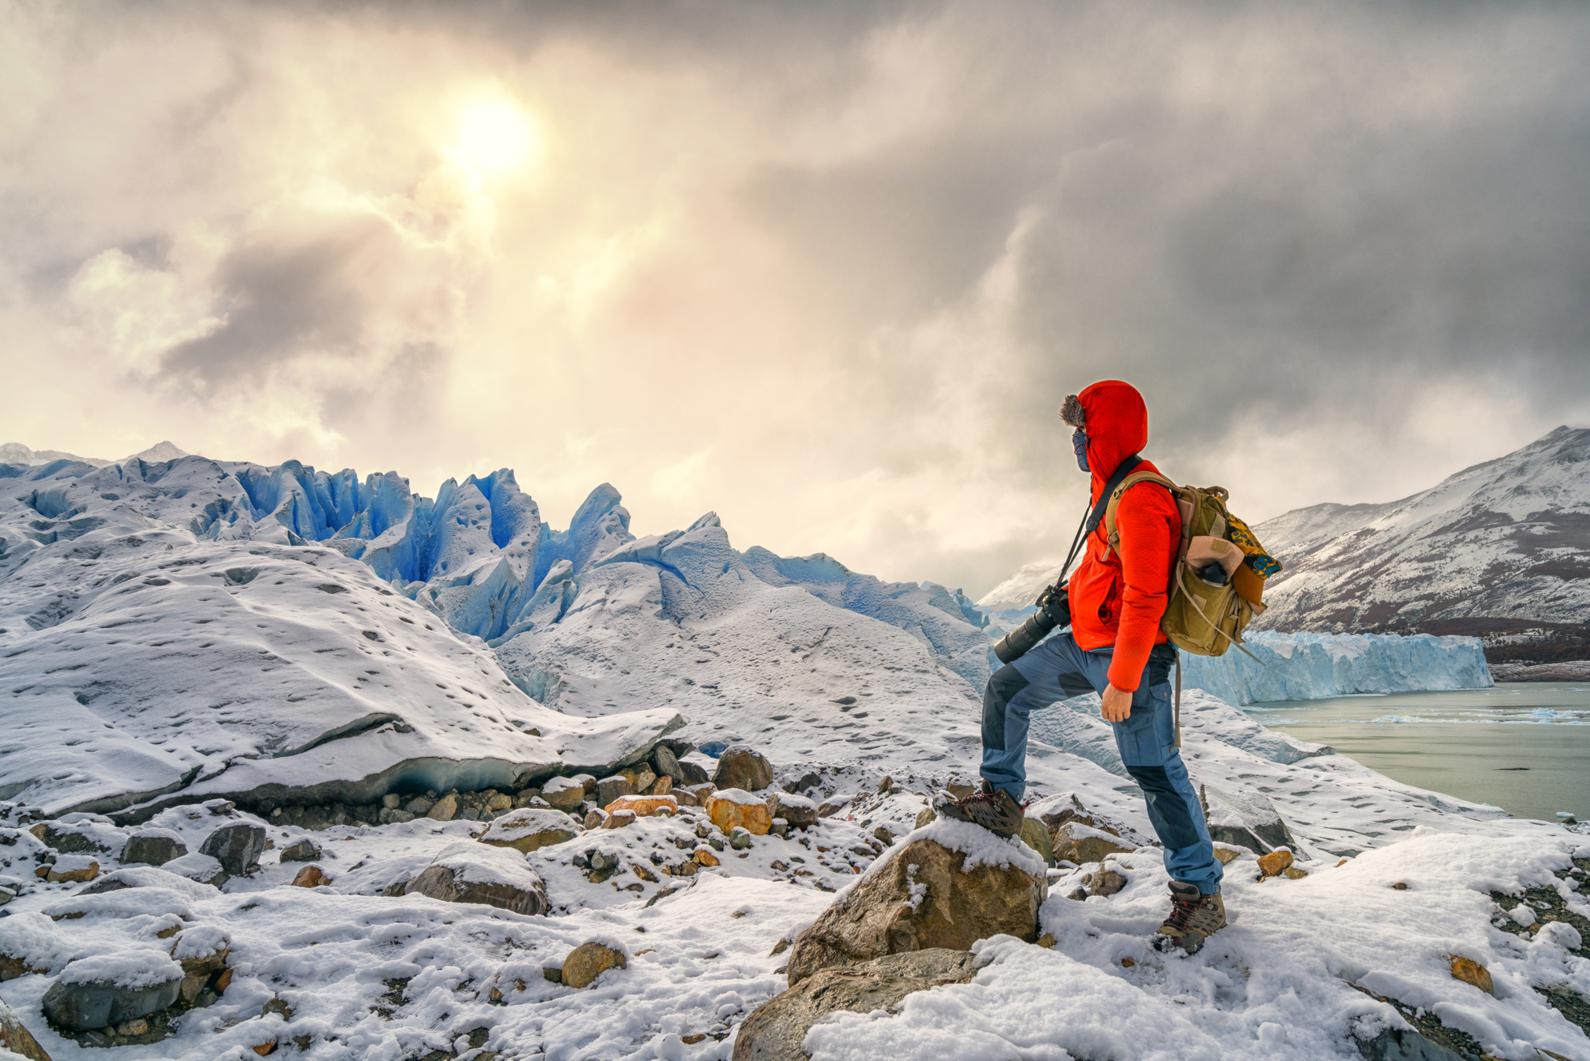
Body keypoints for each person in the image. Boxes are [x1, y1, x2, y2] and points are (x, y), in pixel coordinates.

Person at [939, 378, 1227, 953]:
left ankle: (1200, 895)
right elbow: (1105, 573)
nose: (1076, 441)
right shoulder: (1109, 488)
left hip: (1131, 660)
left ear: (1105, 433)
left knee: (1154, 771)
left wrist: (1122, 680)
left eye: (1082, 430)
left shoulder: (1143, 497)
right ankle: (1001, 800)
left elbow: (1145, 595)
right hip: (1084, 645)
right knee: (1007, 689)